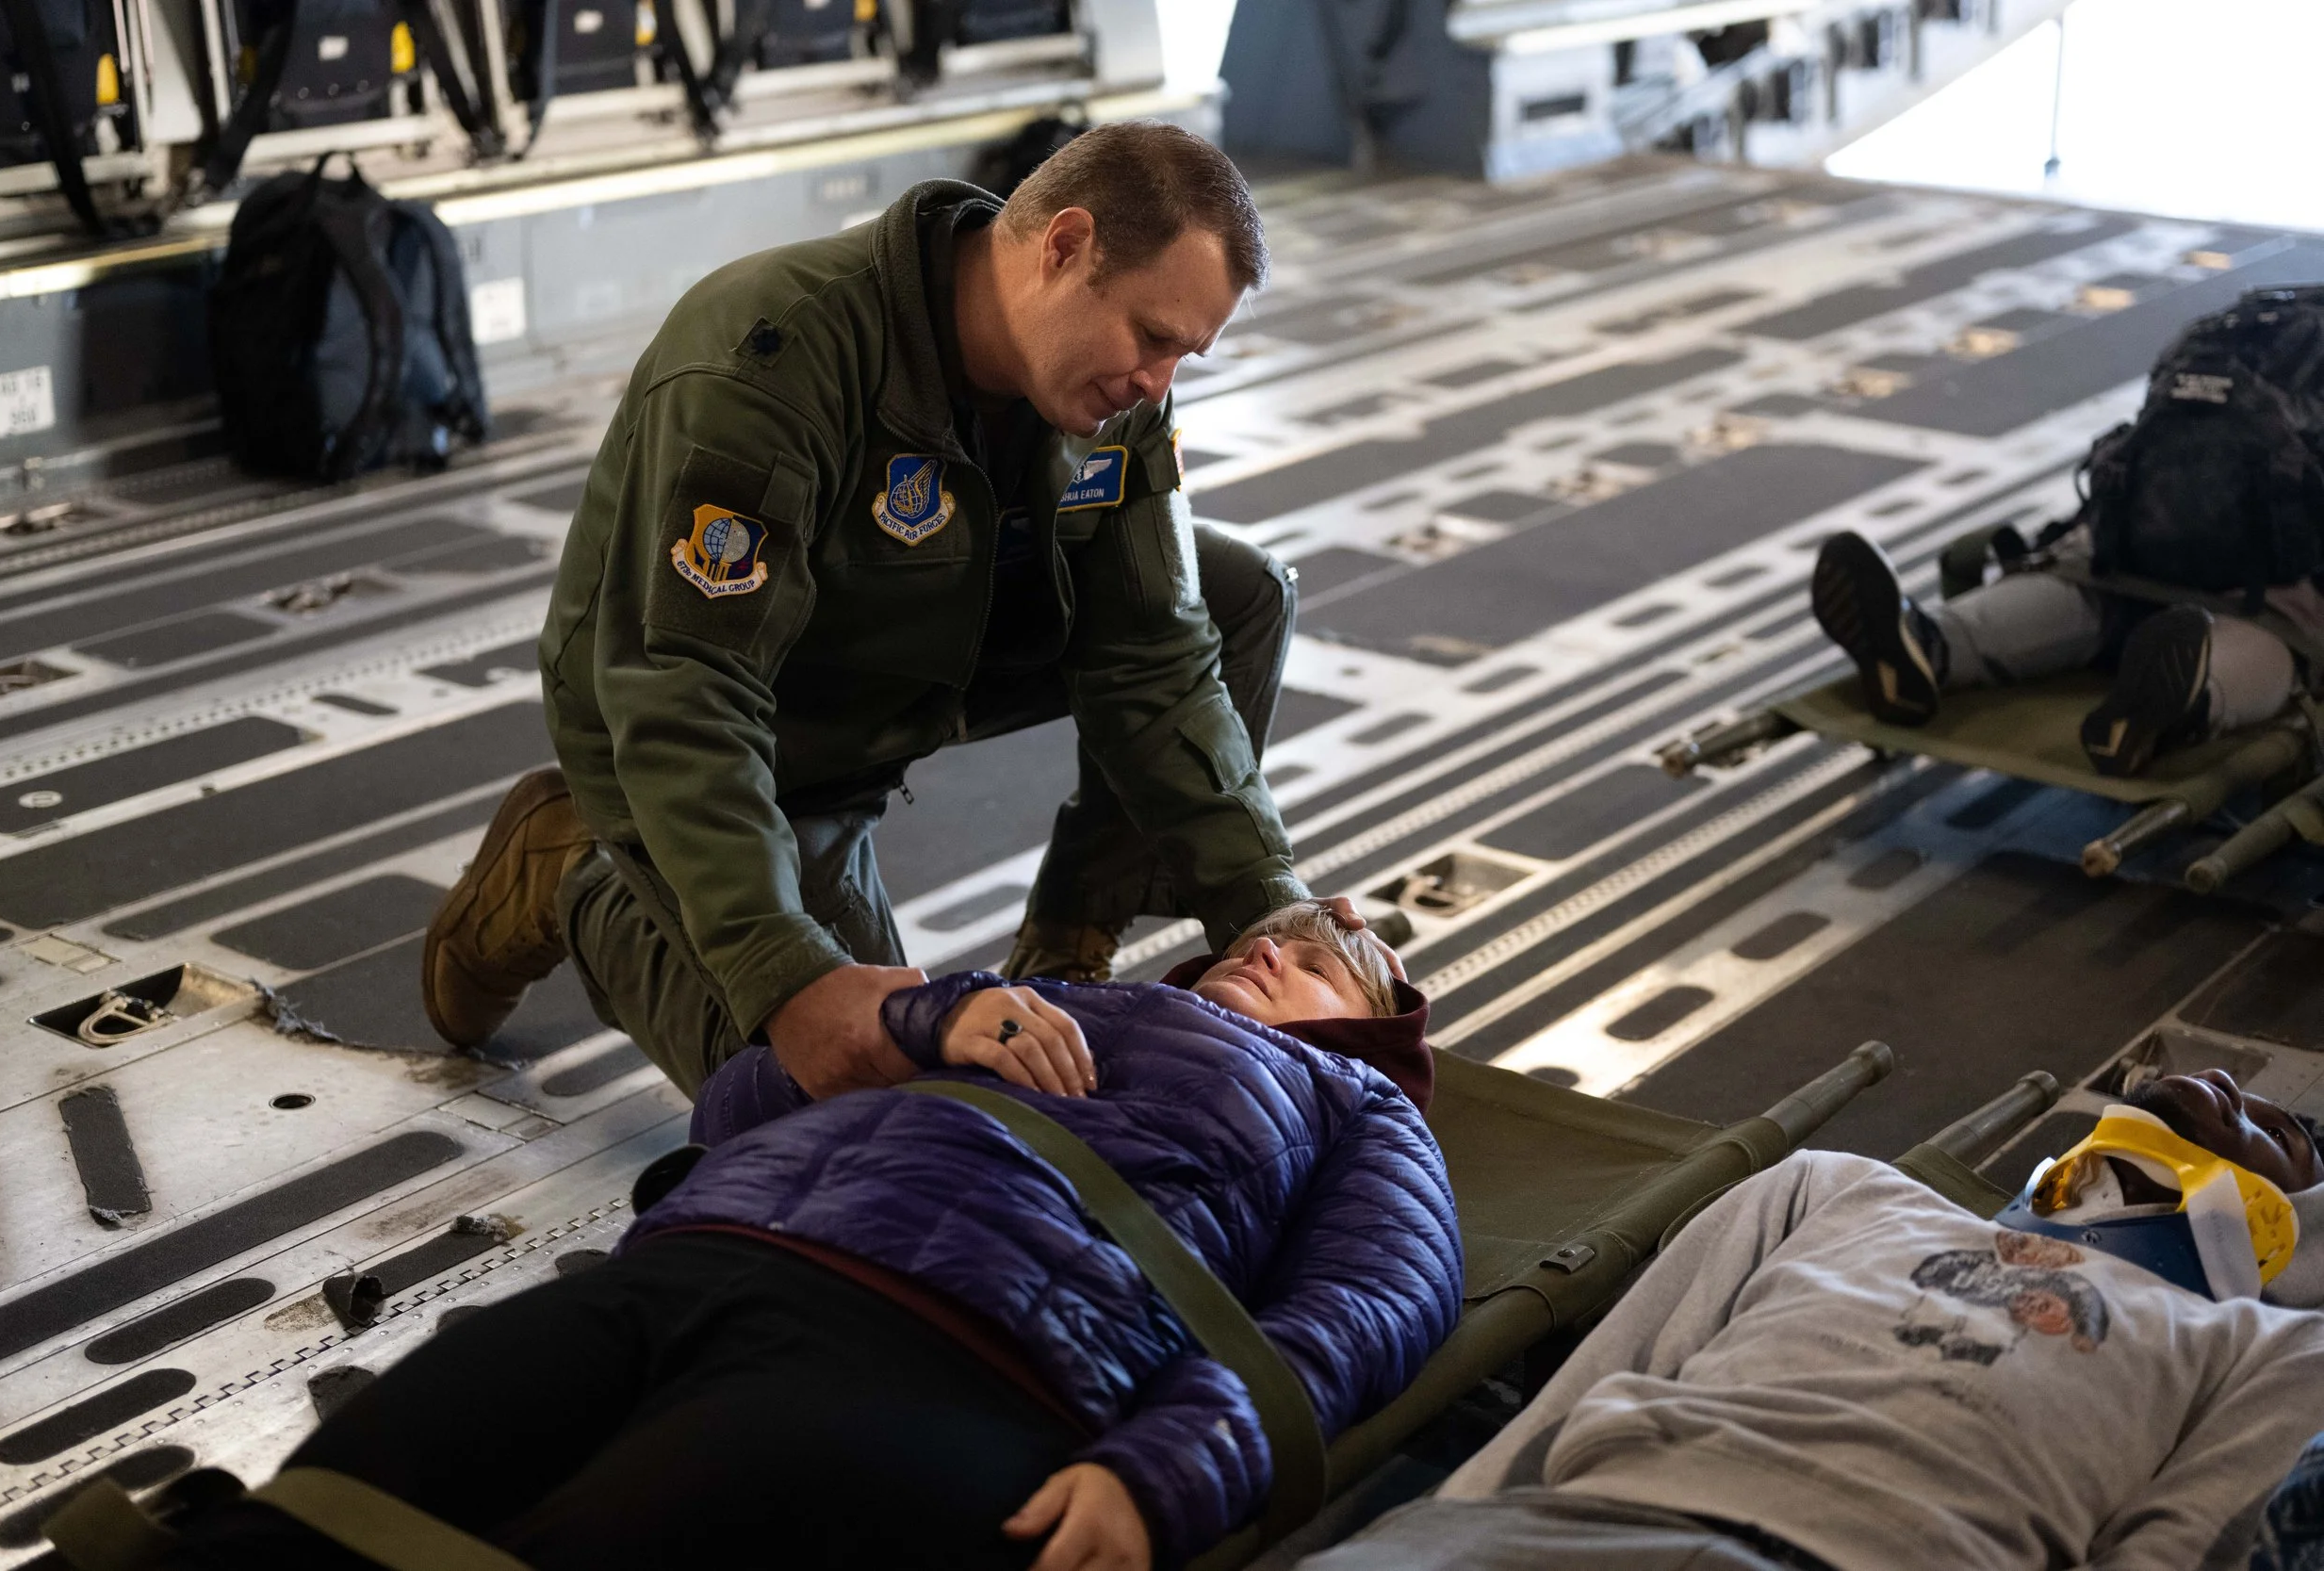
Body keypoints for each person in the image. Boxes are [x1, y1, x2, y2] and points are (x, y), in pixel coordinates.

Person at [418, 122, 1374, 1098]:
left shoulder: (1116, 389)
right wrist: (789, 976)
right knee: (855, 1088)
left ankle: (1068, 944)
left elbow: (1154, 645)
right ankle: (567, 868)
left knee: (1233, 593)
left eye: (1184, 357)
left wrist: (1269, 905)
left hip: (898, 660)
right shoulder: (774, 358)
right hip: (703, 724)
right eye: (1154, 337)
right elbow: (685, 693)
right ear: (1063, 246)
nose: (1156, 382)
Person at [141, 903, 1461, 1571]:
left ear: (1381, 1026)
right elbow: (738, 1103)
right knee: (329, 1503)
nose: (1285, 937)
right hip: (704, 1257)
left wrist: (1165, 1473)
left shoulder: (1364, 1116)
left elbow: (1357, 1315)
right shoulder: (1047, 1002)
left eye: (1338, 943)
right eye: (1271, 925)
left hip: (946, 1355)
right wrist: (909, 1022)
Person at [1303, 1068, 2324, 1571]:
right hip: (1548, 1527)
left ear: (2293, 1235)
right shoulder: (1836, 1186)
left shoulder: (2272, 1345)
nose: (2238, 1087)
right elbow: (1598, 1382)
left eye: (2286, 1132)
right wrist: (1426, 1534)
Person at [1809, 526, 2324, 779]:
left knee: (2078, 585)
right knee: (2282, 634)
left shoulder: (2246, 340)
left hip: (2129, 553)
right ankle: (2175, 710)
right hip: (2266, 587)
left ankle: (1930, 648)